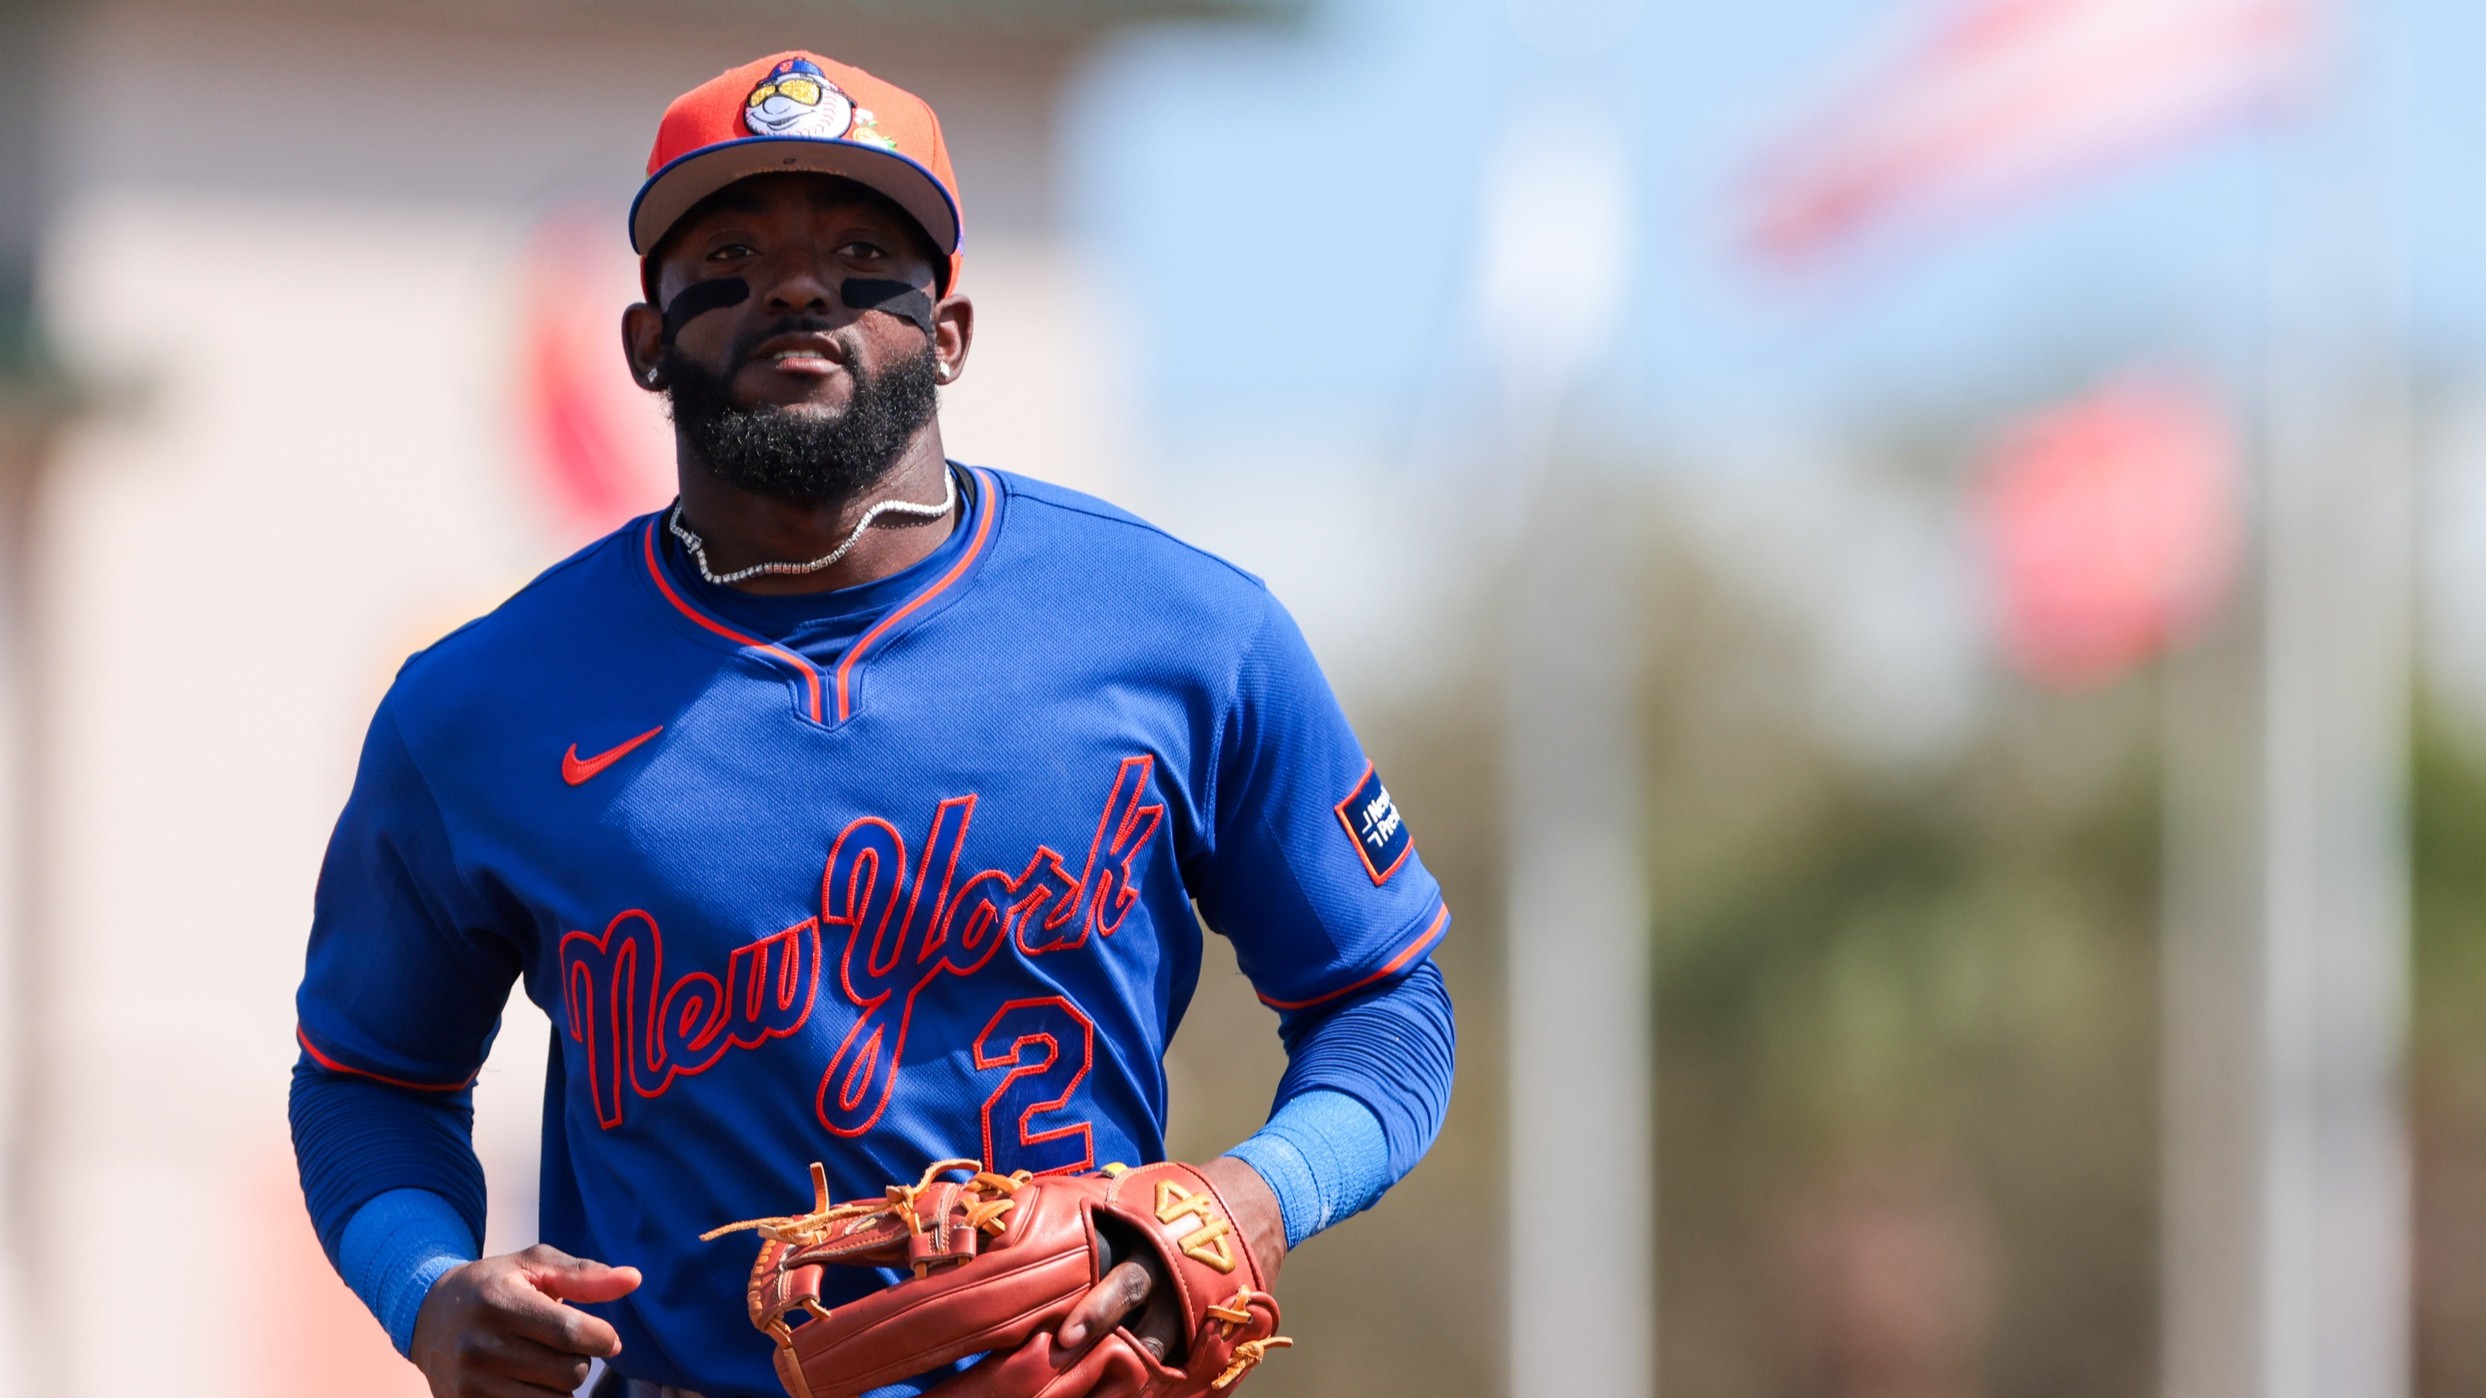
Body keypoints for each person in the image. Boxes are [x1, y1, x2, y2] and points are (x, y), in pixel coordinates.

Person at [289, 50, 1456, 1398]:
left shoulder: (1189, 633)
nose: (796, 289)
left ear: (948, 330)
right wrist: (425, 1288)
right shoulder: (481, 704)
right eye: (730, 254)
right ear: (645, 341)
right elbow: (367, 1081)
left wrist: (1255, 1197)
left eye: (860, 255)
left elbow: (1384, 1000)